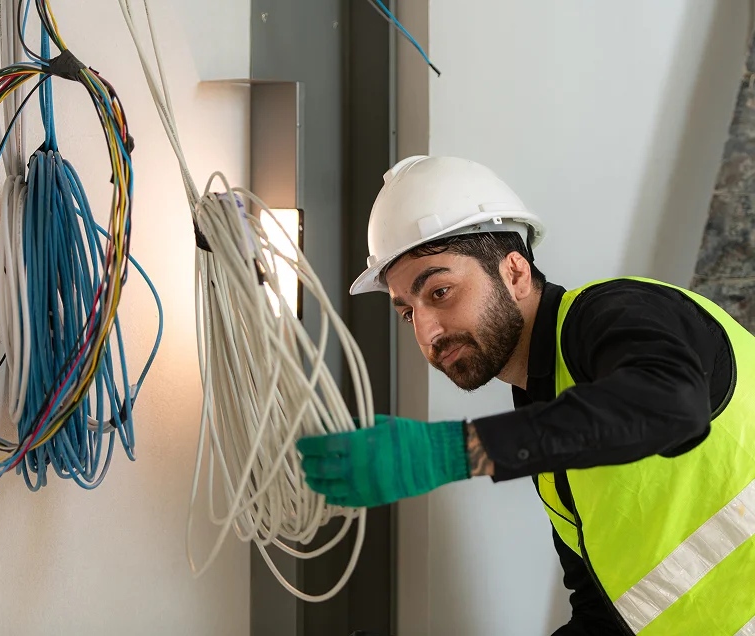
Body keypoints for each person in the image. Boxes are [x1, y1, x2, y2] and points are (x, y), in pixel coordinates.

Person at [297, 156, 755, 635]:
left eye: (439, 291)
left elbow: (673, 405)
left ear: (515, 272)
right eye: (408, 313)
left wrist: (457, 450)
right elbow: (602, 616)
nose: (428, 332)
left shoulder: (614, 312)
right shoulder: (545, 410)